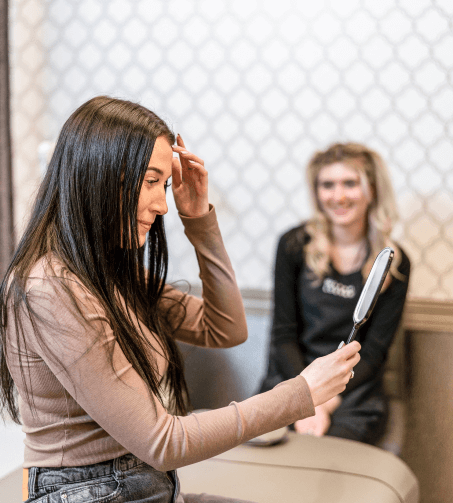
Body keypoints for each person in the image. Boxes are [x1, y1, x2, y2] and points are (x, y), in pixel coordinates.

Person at [0, 97, 360, 503]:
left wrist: (200, 219)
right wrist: (300, 394)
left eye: (165, 185)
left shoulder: (108, 276)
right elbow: (163, 442)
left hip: (142, 485)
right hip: (89, 493)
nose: (162, 205)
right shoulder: (50, 289)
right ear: (102, 177)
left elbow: (225, 328)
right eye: (151, 182)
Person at [258, 142, 410, 445]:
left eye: (350, 183)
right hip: (291, 381)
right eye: (328, 185)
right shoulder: (293, 245)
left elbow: (374, 352)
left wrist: (324, 402)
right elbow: (284, 335)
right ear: (316, 192)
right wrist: (304, 399)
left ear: (372, 190)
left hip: (352, 393)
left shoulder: (393, 264)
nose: (338, 196)